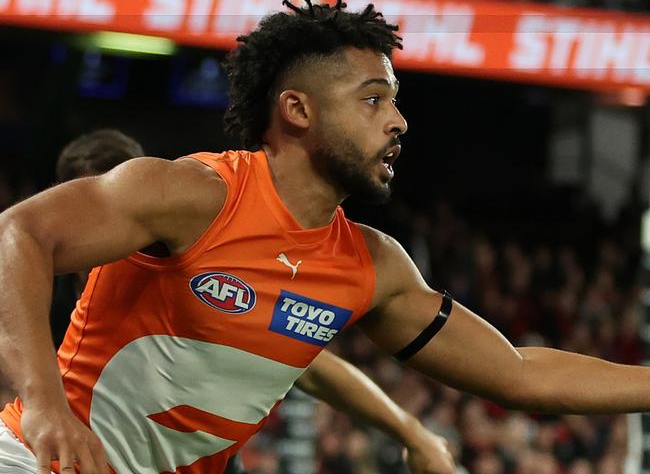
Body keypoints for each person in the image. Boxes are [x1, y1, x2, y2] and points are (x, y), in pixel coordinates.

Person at [0, 0, 649, 473]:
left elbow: (519, 375)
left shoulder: (370, 266)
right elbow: (17, 236)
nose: (398, 122)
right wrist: (46, 404)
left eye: (395, 101)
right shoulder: (193, 194)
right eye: (373, 99)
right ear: (298, 110)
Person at [47, 128, 453, 474]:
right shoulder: (45, 290)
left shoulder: (185, 268)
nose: (107, 211)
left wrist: (411, 431)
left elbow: (315, 368)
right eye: (91, 197)